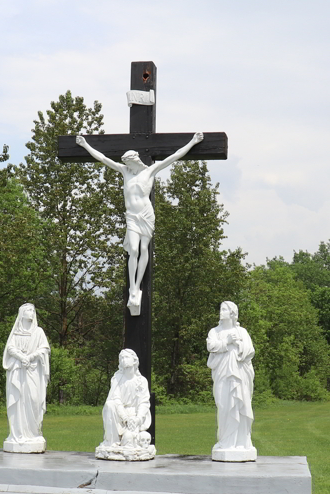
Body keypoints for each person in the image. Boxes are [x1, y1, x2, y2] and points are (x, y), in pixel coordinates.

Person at [76, 132, 204, 314]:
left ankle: (137, 285)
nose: (127, 165)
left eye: (129, 162)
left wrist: (193, 141)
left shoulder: (150, 171)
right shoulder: (124, 171)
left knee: (144, 249)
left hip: (145, 214)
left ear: (135, 160)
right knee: (133, 251)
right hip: (131, 216)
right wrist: (85, 145)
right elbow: (103, 158)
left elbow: (175, 156)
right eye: (125, 163)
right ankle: (132, 289)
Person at [206, 301, 255, 454]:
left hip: (239, 374)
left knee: (241, 405)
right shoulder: (215, 331)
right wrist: (227, 341)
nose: (221, 312)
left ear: (232, 313)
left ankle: (241, 442)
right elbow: (211, 346)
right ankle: (225, 441)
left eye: (225, 309)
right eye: (221, 309)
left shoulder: (242, 332)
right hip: (222, 373)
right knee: (224, 405)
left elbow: (250, 350)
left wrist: (239, 344)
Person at [3, 303, 50, 452]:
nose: (32, 313)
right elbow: (10, 348)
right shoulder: (16, 333)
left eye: (33, 310)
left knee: (34, 400)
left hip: (33, 371)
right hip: (18, 371)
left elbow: (44, 348)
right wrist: (21, 357)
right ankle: (18, 433)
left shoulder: (38, 332)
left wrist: (30, 357)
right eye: (29, 310)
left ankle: (34, 433)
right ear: (22, 313)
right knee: (18, 401)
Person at [96, 349, 153, 460]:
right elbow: (116, 399)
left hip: (135, 415)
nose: (123, 360)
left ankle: (131, 441)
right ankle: (112, 442)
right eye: (121, 358)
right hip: (120, 414)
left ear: (134, 360)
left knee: (129, 438)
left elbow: (144, 402)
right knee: (109, 404)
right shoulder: (117, 379)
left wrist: (137, 419)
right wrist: (125, 418)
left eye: (126, 357)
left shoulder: (141, 381)